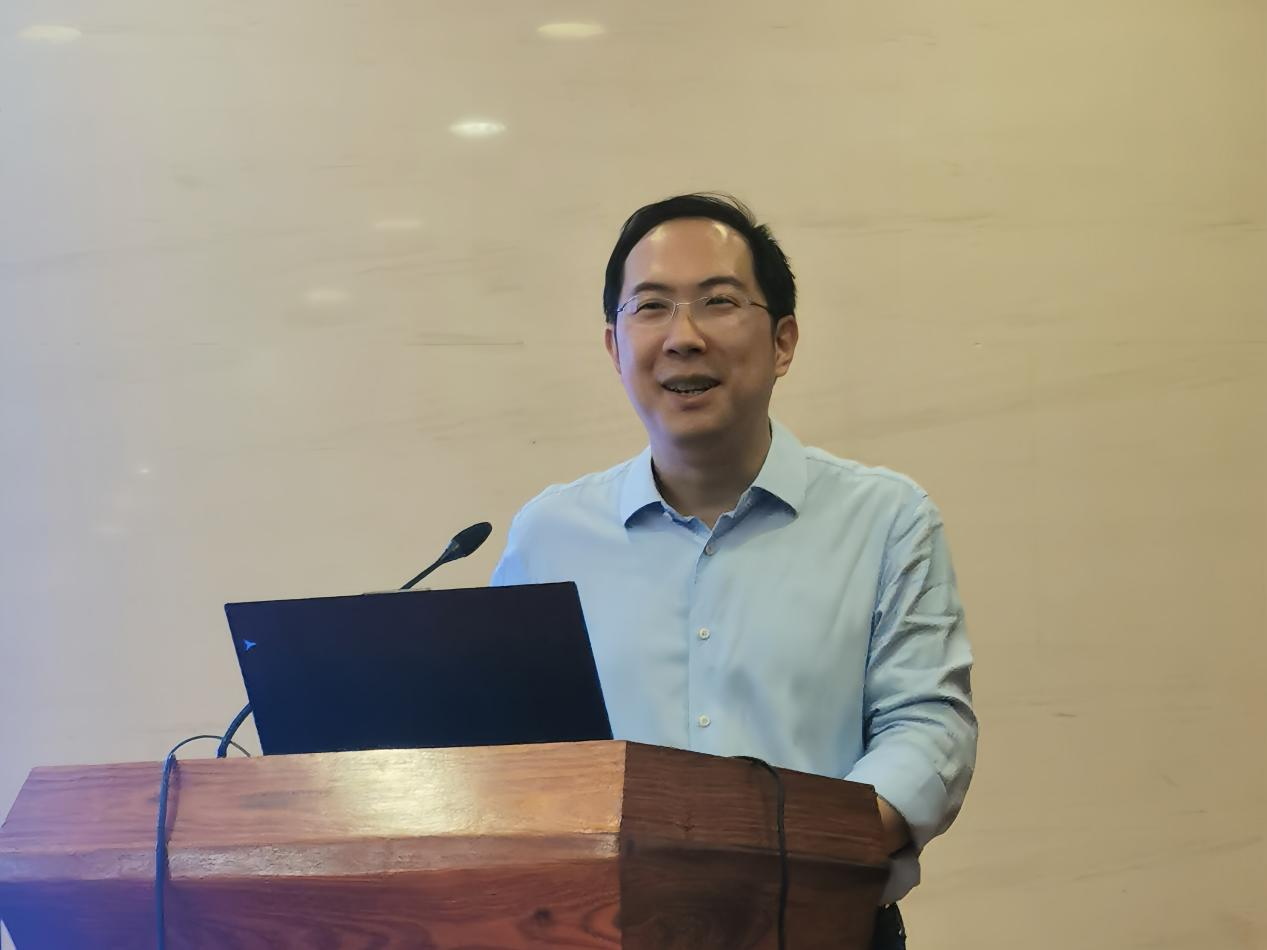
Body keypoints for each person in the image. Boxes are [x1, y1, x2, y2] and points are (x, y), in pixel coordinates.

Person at [491, 193, 977, 949]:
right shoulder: (549, 538)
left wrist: (793, 850)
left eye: (717, 302)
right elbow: (508, 753)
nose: (682, 338)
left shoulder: (885, 520)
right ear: (614, 346)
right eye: (651, 307)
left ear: (782, 342)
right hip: (596, 932)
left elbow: (926, 727)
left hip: (818, 930)